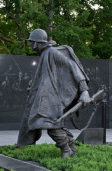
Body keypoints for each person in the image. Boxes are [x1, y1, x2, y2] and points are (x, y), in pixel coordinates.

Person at [16, 29, 91, 158]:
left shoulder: (50, 52)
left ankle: (66, 150)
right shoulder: (45, 54)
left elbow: (73, 66)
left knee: (49, 124)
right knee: (55, 124)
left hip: (51, 99)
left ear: (36, 43)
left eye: (31, 43)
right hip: (48, 98)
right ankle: (70, 148)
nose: (31, 46)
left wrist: (84, 90)